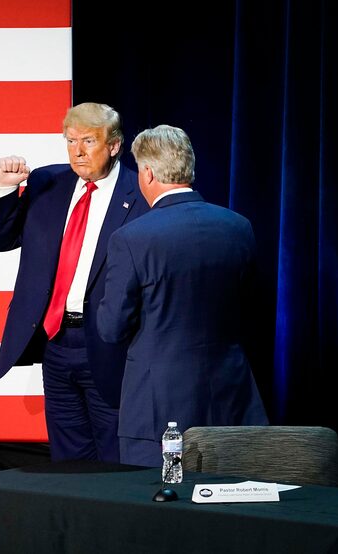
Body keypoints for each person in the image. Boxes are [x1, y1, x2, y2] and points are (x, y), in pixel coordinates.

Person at [96, 124, 268, 467]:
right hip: (232, 400)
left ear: (147, 172)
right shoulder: (238, 227)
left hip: (159, 410)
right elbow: (253, 312)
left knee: (161, 511)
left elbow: (110, 328)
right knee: (232, 507)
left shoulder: (131, 238)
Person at [0, 102, 149, 462]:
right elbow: (2, 239)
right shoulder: (48, 182)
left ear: (114, 145)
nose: (77, 151)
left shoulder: (139, 194)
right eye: (70, 140)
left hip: (110, 346)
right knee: (68, 457)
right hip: (55, 342)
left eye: (88, 141)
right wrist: (5, 190)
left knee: (115, 454)